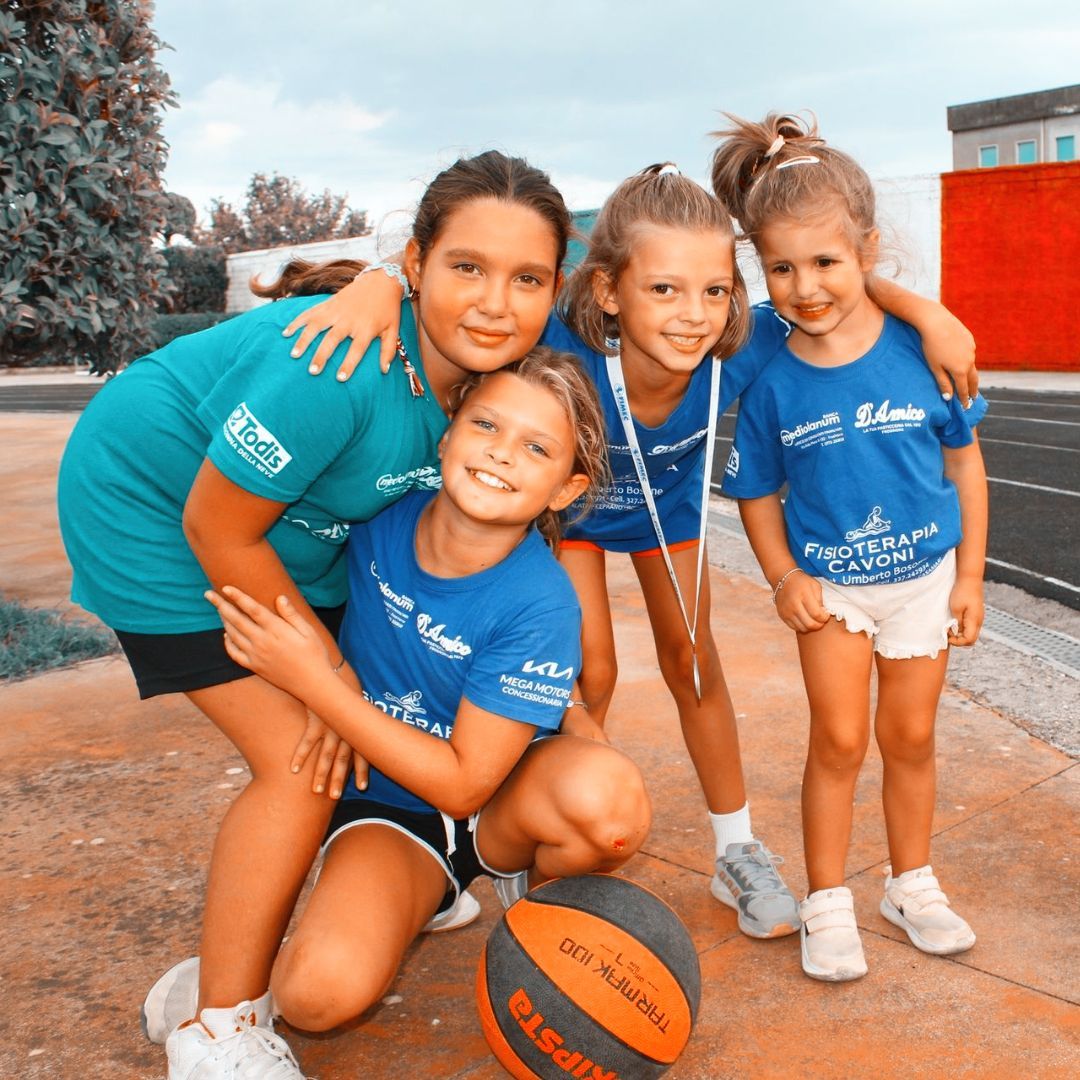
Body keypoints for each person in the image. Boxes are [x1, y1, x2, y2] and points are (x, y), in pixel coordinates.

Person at [284, 156, 980, 945]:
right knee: (592, 669)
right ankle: (537, 824)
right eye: (664, 291)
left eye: (713, 291)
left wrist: (927, 311)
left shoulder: (737, 347)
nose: (692, 316)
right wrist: (379, 279)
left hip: (665, 515)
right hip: (574, 515)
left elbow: (831, 292)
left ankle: (737, 850)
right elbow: (458, 289)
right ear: (611, 291)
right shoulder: (562, 342)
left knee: (693, 660)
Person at [56, 149, 577, 1079]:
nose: (497, 302)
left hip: (283, 519)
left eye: (526, 278)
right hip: (155, 504)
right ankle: (217, 1029)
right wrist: (327, 678)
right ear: (416, 265)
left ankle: (256, 947)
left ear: (556, 289)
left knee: (337, 718)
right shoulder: (340, 369)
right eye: (467, 267)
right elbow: (217, 525)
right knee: (302, 758)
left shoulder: (487, 372)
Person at [203, 350, 652, 1043]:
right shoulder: (374, 518)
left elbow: (468, 783)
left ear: (566, 489)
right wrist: (373, 287)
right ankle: (423, 897)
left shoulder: (542, 602)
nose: (502, 455)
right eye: (486, 426)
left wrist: (319, 685)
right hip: (391, 809)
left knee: (608, 803)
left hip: (500, 794)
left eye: (537, 448)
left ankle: (534, 933)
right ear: (445, 436)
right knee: (315, 998)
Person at [714, 112, 987, 982]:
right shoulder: (770, 378)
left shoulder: (920, 352)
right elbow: (753, 489)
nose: (805, 285)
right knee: (838, 740)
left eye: (826, 261)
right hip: (831, 588)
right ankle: (826, 902)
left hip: (924, 583)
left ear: (867, 249)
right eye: (781, 267)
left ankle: (910, 884)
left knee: (910, 737)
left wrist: (971, 574)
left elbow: (964, 460)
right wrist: (784, 574)